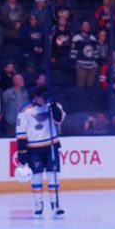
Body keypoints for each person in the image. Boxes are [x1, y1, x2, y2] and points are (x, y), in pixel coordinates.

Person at [15, 85, 65, 218]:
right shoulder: (25, 110)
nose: (43, 101)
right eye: (41, 98)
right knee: (36, 176)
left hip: (51, 145)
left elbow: (59, 120)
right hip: (34, 148)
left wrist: (53, 105)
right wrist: (22, 151)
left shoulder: (53, 105)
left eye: (45, 98)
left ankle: (55, 206)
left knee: (53, 176)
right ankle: (38, 205)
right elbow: (21, 132)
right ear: (36, 97)